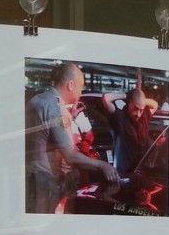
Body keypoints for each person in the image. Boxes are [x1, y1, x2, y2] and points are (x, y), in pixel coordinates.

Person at [25, 62, 119, 213]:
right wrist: (103, 165)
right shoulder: (56, 107)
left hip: (30, 179)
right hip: (43, 184)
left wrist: (71, 118)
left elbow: (44, 136)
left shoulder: (38, 100)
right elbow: (70, 156)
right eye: (80, 86)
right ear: (70, 85)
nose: (81, 91)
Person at [101, 87, 159, 173]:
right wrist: (127, 96)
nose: (138, 114)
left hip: (143, 170)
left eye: (141, 110)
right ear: (129, 103)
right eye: (136, 108)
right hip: (125, 171)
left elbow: (154, 104)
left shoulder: (144, 116)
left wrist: (141, 100)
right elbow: (106, 98)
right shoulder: (120, 117)